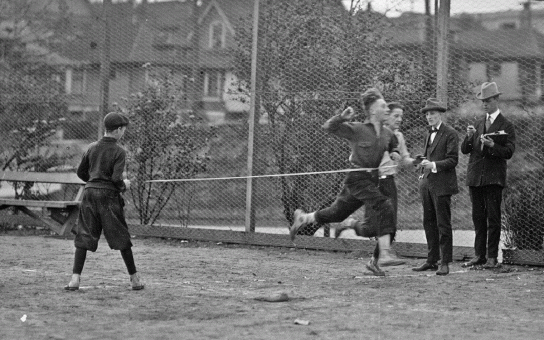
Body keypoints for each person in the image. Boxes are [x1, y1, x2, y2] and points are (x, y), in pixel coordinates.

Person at [290, 88, 403, 276]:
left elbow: (392, 144)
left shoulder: (387, 133)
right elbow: (328, 127)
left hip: (371, 181)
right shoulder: (357, 129)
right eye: (383, 106)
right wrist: (341, 117)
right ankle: (383, 255)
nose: (386, 110)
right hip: (357, 179)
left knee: (337, 213)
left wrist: (395, 153)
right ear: (373, 111)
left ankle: (304, 218)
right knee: (385, 205)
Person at [335, 102, 423, 275]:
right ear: (386, 115)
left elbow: (404, 160)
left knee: (390, 225)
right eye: (395, 115)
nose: (399, 119)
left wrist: (415, 162)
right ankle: (349, 223)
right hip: (372, 184)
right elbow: (356, 155)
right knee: (370, 228)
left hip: (389, 183)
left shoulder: (397, 136)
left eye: (401, 117)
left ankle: (375, 262)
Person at [65, 112, 144, 291]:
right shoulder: (119, 151)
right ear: (117, 130)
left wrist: (94, 181)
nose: (123, 132)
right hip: (108, 197)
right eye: (123, 129)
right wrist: (124, 185)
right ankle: (135, 280)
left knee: (84, 235)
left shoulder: (92, 147)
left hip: (90, 194)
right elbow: (116, 178)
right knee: (121, 236)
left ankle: (74, 280)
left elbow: (80, 173)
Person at [461, 82, 516, 269]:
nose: (485, 104)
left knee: (493, 218)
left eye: (488, 100)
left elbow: (509, 151)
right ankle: (479, 255)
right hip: (476, 177)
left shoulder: (506, 124)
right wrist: (469, 137)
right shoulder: (477, 123)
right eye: (482, 101)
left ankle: (492, 257)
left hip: (493, 178)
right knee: (478, 217)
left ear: (496, 100)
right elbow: (465, 150)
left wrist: (493, 146)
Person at [412, 98, 459, 276]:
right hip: (427, 183)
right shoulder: (428, 133)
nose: (429, 116)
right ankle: (432, 260)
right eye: (427, 114)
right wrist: (422, 162)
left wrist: (433, 165)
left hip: (442, 185)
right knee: (428, 222)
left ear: (440, 114)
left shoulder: (450, 133)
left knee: (443, 223)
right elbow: (428, 156)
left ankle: (445, 261)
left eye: (432, 113)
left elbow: (453, 160)